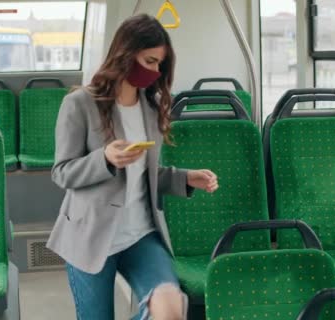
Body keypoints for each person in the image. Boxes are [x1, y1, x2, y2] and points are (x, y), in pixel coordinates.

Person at [47, 14, 219, 320]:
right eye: (149, 61)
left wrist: (186, 178)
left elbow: (144, 177)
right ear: (126, 54)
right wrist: (104, 159)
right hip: (90, 236)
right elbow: (62, 172)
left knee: (170, 308)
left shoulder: (151, 107)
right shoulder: (79, 104)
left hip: (141, 234)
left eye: (159, 66)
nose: (154, 72)